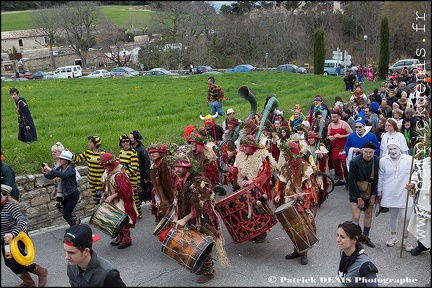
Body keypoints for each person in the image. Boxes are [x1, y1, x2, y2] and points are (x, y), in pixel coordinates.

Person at [170, 153, 229, 284]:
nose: (177, 170)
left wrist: (184, 220)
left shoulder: (197, 184)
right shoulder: (181, 181)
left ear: (187, 168)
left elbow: (197, 210)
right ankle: (202, 266)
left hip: (201, 219)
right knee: (195, 244)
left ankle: (209, 271)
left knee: (203, 244)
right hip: (190, 217)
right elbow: (179, 198)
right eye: (175, 167)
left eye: (180, 167)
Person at [225, 134, 278, 243]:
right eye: (242, 146)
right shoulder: (240, 155)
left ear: (252, 146)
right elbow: (236, 169)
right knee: (246, 211)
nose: (243, 149)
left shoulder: (262, 155)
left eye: (246, 146)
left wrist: (252, 182)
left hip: (257, 188)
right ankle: (253, 231)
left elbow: (265, 174)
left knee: (258, 210)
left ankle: (263, 232)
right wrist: (231, 170)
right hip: (243, 188)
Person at [273, 141, 320, 265]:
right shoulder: (286, 167)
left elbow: (310, 187)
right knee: (292, 226)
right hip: (289, 200)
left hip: (302, 201)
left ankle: (304, 253)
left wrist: (302, 195)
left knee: (302, 226)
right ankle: (296, 250)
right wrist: (278, 194)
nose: (284, 156)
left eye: (286, 153)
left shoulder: (305, 166)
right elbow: (281, 183)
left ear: (292, 154)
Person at [1, 184, 48, 287]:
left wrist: (12, 234)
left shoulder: (10, 206)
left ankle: (41, 271)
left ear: (5, 196)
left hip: (17, 239)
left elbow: (22, 221)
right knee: (9, 262)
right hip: (6, 242)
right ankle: (28, 282)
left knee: (19, 262)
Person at [377, 139, 414, 251]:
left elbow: (417, 173)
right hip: (390, 192)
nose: (393, 151)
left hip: (405, 192)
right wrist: (379, 191)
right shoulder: (383, 160)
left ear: (399, 149)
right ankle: (394, 237)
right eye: (390, 149)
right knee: (393, 216)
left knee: (406, 217)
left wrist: (413, 184)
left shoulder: (409, 159)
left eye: (395, 149)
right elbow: (380, 176)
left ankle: (405, 240)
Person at [100, 153, 139, 249]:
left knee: (122, 219)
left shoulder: (120, 175)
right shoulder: (108, 173)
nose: (104, 167)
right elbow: (106, 186)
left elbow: (126, 190)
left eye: (105, 165)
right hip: (112, 200)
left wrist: (112, 196)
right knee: (115, 219)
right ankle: (119, 236)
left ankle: (127, 238)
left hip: (121, 200)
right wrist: (104, 194)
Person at [347, 142, 380, 248]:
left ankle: (365, 237)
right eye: (366, 152)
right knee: (356, 217)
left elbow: (375, 179)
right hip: (356, 191)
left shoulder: (376, 160)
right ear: (362, 151)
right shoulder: (354, 162)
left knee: (368, 214)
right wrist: (358, 198)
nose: (368, 155)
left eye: (371, 152)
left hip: (369, 191)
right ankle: (355, 238)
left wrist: (373, 195)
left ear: (374, 152)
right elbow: (351, 181)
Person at [42, 151, 80, 226]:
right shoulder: (60, 168)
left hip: (72, 194)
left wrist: (50, 169)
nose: (59, 160)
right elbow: (51, 176)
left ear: (67, 161)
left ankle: (75, 228)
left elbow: (64, 175)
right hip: (65, 194)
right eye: (60, 158)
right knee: (66, 213)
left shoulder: (71, 169)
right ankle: (76, 225)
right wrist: (45, 173)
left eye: (62, 159)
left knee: (67, 214)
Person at [337, 221, 378, 286]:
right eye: (338, 235)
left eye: (342, 237)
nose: (337, 239)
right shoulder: (343, 253)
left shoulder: (365, 265)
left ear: (354, 239)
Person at [407, 148, 431, 256]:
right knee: (422, 224)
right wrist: (412, 184)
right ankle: (422, 245)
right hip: (423, 200)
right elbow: (415, 176)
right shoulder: (422, 164)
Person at [72, 136, 105, 206]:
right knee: (95, 200)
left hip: (100, 182)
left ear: (96, 144)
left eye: (90, 142)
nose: (89, 144)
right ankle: (97, 214)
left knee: (100, 199)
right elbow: (78, 159)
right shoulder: (88, 153)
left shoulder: (103, 154)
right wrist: (70, 155)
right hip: (91, 181)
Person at [148, 143, 175, 221]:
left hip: (174, 193)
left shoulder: (169, 164)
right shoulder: (153, 167)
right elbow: (155, 185)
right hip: (164, 195)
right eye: (150, 153)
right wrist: (158, 198)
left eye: (154, 152)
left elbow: (175, 181)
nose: (152, 154)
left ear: (161, 153)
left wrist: (176, 197)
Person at [118, 134, 142, 219]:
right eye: (123, 142)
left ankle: (139, 214)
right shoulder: (121, 152)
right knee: (126, 196)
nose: (125, 143)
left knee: (134, 197)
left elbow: (134, 168)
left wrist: (124, 174)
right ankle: (131, 214)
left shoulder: (133, 152)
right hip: (124, 178)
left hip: (132, 178)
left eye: (127, 141)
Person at [327, 108, 353, 186]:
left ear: (339, 116)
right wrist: (329, 137)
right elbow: (328, 135)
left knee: (344, 165)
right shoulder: (330, 125)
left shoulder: (344, 124)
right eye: (332, 117)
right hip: (335, 147)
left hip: (344, 147)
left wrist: (341, 136)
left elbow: (352, 134)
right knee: (336, 164)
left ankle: (347, 180)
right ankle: (341, 179)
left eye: (334, 117)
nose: (333, 119)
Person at [129, 130, 152, 204]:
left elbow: (147, 163)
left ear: (135, 139)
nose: (129, 140)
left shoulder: (142, 149)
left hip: (142, 174)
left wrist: (146, 176)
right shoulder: (131, 148)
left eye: (131, 138)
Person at [49, 142, 66, 211]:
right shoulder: (55, 164)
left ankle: (76, 221)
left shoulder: (64, 164)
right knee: (63, 209)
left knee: (67, 209)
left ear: (60, 153)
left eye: (55, 152)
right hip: (59, 188)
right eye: (52, 152)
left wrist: (57, 178)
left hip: (65, 189)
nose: (53, 154)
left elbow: (63, 176)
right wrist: (54, 189)